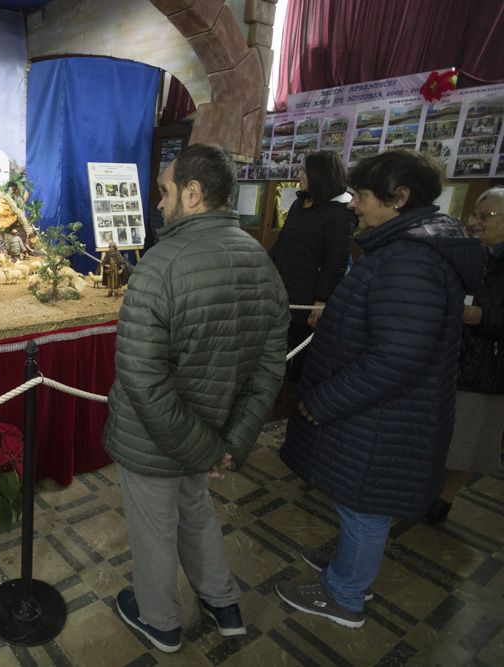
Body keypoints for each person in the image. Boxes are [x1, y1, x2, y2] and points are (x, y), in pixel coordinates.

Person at [276, 151, 483, 629]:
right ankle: (348, 562)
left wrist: (323, 399)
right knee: (358, 502)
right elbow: (393, 329)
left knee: (365, 505)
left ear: (399, 199)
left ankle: (344, 595)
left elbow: (397, 358)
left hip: (385, 418)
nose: (353, 205)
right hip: (379, 414)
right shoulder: (402, 248)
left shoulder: (410, 260)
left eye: (363, 196)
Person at [105, 144, 289, 653]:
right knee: (197, 512)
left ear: (193, 193)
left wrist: (210, 448)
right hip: (211, 435)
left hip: (157, 441)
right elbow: (269, 369)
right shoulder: (261, 260)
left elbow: (141, 379)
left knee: (154, 530)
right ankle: (223, 602)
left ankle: (160, 621)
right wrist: (229, 442)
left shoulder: (161, 265)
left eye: (164, 191)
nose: (157, 203)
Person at [425, 186, 504, 523]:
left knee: (469, 443)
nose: (474, 221)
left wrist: (482, 317)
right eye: (473, 214)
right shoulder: (474, 254)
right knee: (439, 436)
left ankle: (443, 499)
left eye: (483, 215)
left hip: (487, 367)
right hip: (452, 359)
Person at [270, 151, 355, 378]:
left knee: (299, 355)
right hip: (283, 288)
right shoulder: (301, 203)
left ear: (320, 174)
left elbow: (335, 261)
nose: (299, 174)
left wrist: (321, 300)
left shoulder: (339, 213)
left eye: (304, 170)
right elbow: (282, 242)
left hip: (307, 297)